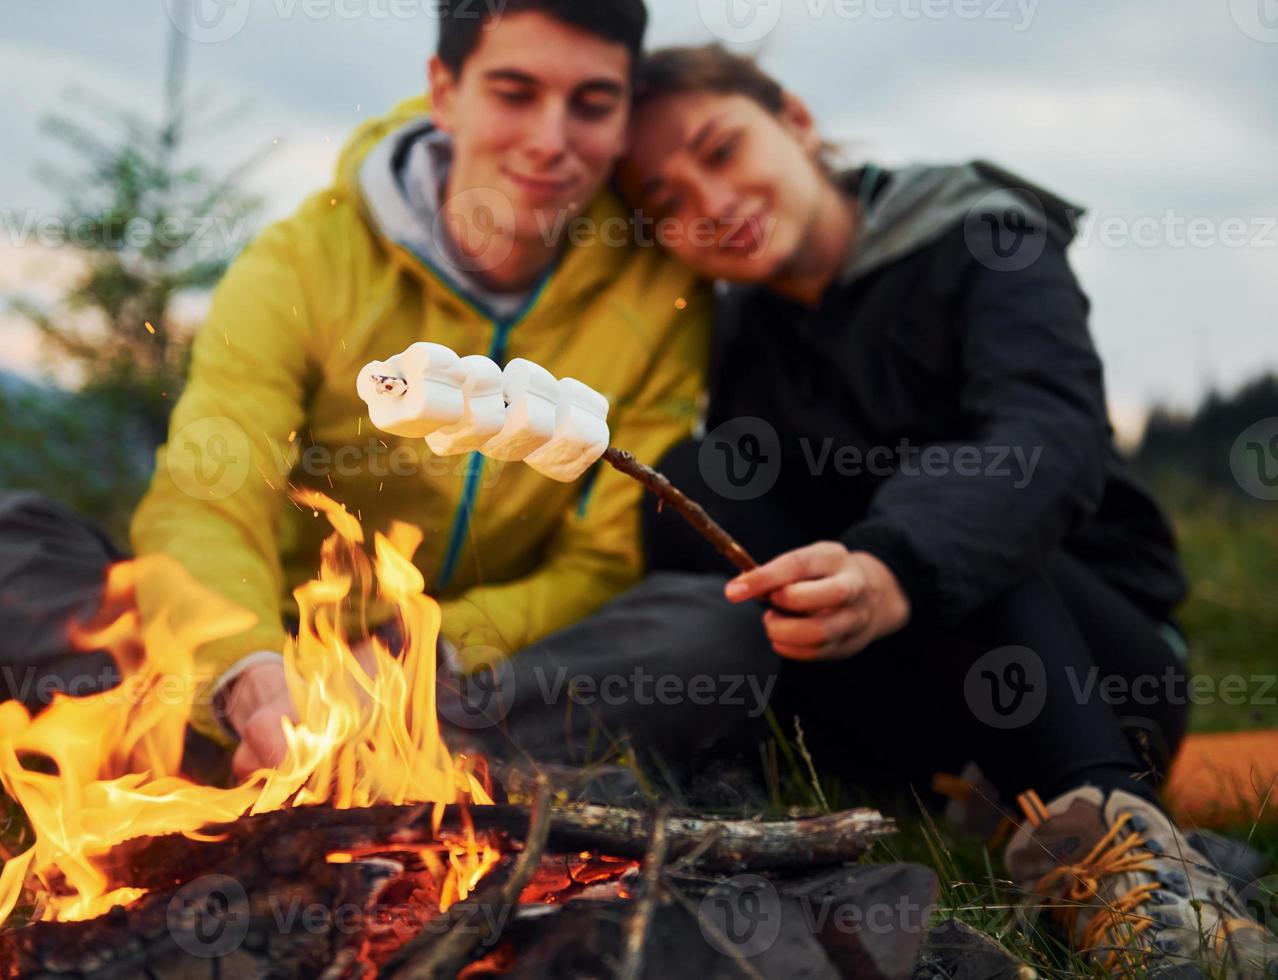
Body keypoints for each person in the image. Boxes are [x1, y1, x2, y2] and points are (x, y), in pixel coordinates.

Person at [473, 44, 1275, 978]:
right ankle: (739, 787)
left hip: (1095, 671)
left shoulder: (981, 234)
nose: (711, 204)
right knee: (705, 476)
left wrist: (894, 566)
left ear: (798, 121)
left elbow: (1049, 433)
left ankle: (1124, 856)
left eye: (723, 150)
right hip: (896, 696)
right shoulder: (748, 331)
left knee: (953, 484)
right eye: (668, 204)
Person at [0, 0, 708, 778]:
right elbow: (209, 491)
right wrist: (250, 675)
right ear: (444, 92)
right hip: (265, 650)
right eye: (514, 92)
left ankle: (248, 765)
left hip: (470, 667)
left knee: (714, 628)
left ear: (625, 116)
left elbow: (605, 559)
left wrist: (409, 652)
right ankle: (301, 751)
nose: (550, 140)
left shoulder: (659, 296)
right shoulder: (302, 264)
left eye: (592, 104)